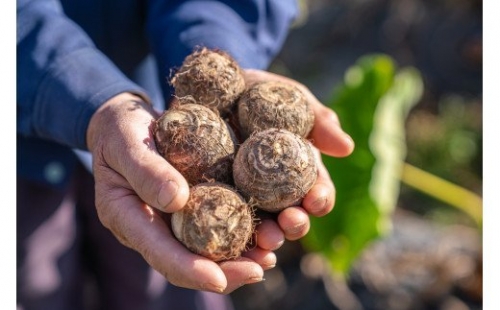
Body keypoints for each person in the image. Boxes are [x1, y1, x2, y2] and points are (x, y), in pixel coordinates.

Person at [17, 0, 354, 309]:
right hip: (21, 147)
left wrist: (218, 47)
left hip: (148, 109)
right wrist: (92, 100)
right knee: (36, 282)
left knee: (169, 293)